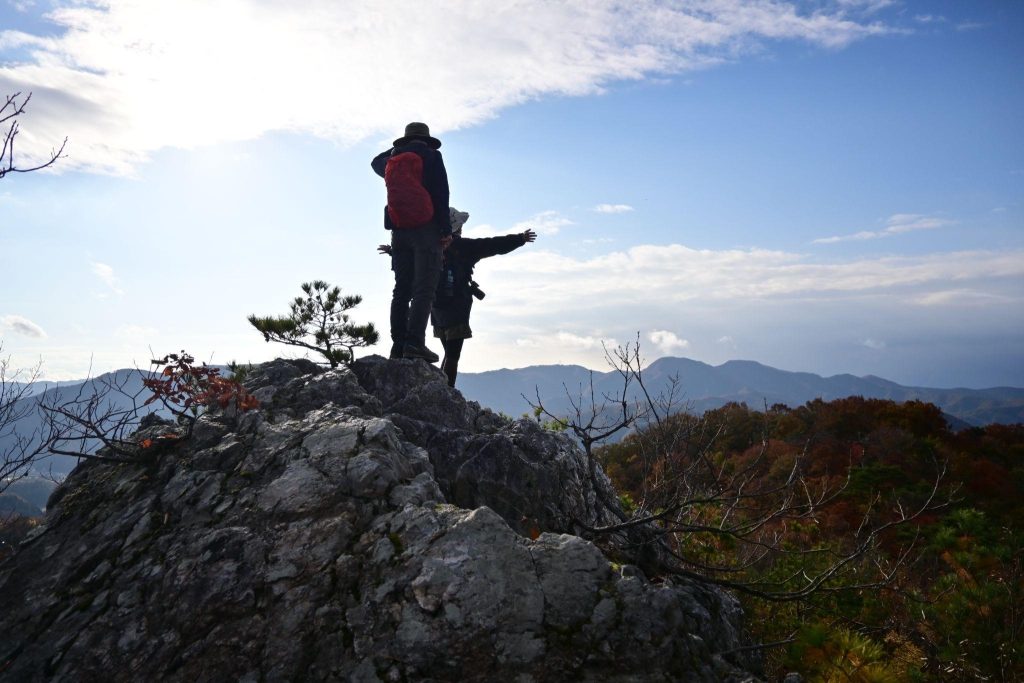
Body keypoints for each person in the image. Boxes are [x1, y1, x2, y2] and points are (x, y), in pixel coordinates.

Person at [371, 122, 451, 362]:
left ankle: (398, 345)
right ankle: (414, 343)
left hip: (399, 231)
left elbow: (375, 161)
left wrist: (399, 149)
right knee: (424, 290)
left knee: (401, 290)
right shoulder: (432, 156)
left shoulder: (391, 160)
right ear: (427, 139)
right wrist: (445, 230)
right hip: (426, 230)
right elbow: (441, 193)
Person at [431, 207, 536, 386]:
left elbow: (410, 258)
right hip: (457, 308)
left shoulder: (431, 246)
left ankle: (439, 389)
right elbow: (492, 245)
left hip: (436, 309)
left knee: (448, 353)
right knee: (453, 356)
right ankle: (446, 393)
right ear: (455, 228)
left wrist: (393, 251)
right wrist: (519, 239)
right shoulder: (464, 247)